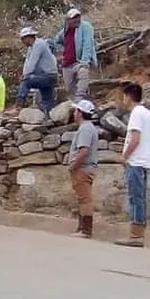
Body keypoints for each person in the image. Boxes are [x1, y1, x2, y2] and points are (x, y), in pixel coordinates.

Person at [116, 83, 150, 248]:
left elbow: (135, 138)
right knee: (140, 197)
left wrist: (124, 156)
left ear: (129, 96)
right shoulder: (146, 113)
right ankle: (138, 232)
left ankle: (136, 235)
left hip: (136, 161)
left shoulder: (136, 114)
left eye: (124, 96)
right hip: (143, 161)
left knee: (135, 197)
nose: (123, 100)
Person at [67, 99, 100, 238]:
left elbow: (83, 151)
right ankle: (82, 228)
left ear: (80, 113)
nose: (74, 113)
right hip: (84, 168)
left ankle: (86, 230)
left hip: (83, 168)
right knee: (82, 198)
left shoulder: (85, 128)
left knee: (84, 199)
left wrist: (73, 166)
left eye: (76, 111)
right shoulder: (88, 127)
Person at [51, 8, 98, 101]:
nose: (77, 20)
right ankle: (81, 106)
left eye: (78, 17)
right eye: (73, 18)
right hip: (67, 63)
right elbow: (56, 41)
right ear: (68, 20)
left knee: (82, 78)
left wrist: (84, 61)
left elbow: (87, 44)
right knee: (70, 89)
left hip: (79, 61)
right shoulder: (65, 31)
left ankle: (80, 100)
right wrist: (62, 50)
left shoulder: (86, 27)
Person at [17, 27, 58, 113]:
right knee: (47, 100)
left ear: (28, 37)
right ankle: (48, 116)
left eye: (23, 39)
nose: (22, 41)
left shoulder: (39, 45)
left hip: (48, 76)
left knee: (26, 82)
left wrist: (25, 76)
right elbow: (27, 62)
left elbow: (32, 63)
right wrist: (24, 74)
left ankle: (19, 105)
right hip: (46, 75)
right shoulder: (32, 47)